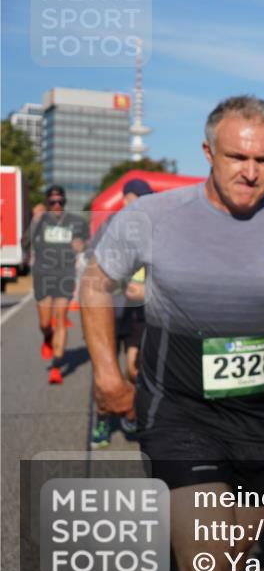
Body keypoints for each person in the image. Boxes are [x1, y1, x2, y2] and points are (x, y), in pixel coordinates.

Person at [81, 95, 264, 571]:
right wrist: (108, 374)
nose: (251, 173)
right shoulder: (154, 215)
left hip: (257, 416)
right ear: (208, 151)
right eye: (237, 158)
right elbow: (96, 283)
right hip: (178, 409)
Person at [89, 178, 155, 448]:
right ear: (127, 198)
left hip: (138, 313)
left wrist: (148, 290)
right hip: (109, 312)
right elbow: (93, 270)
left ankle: (132, 410)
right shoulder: (111, 225)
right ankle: (102, 420)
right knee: (104, 373)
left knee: (135, 369)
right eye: (140, 198)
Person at [24, 185, 88, 385]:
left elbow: (87, 242)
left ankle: (57, 367)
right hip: (43, 275)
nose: (57, 205)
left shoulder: (75, 222)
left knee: (60, 318)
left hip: (65, 274)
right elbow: (24, 242)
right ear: (47, 202)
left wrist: (82, 245)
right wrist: (33, 221)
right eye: (52, 202)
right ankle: (47, 338)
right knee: (44, 323)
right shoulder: (40, 220)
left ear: (65, 201)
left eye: (60, 201)